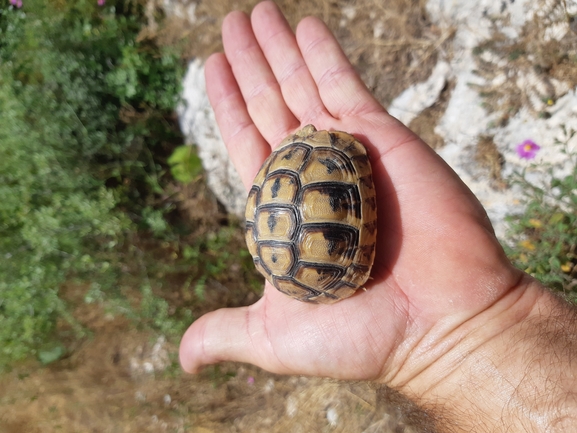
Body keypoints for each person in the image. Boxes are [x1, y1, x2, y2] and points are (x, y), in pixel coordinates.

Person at [179, 2, 577, 431]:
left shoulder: (292, 187)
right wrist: (479, 330)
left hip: (293, 264)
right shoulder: (339, 151)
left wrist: (474, 335)